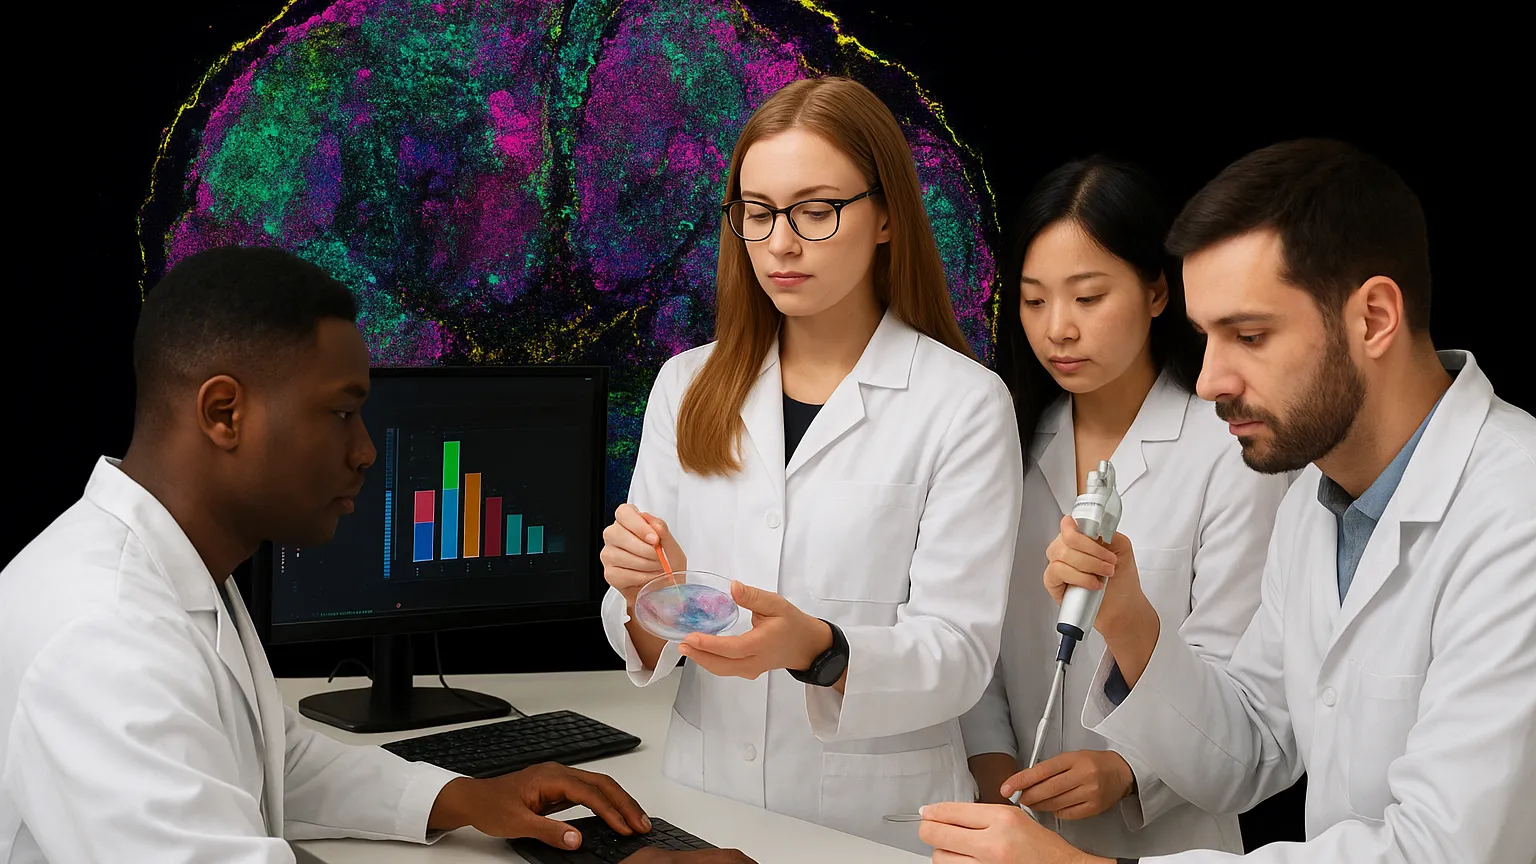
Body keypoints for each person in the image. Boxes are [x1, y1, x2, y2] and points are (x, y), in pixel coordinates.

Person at [0, 247, 752, 864]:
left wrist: (466, 798)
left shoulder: (176, 570)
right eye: (341, 413)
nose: (364, 452)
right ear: (223, 413)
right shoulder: (102, 637)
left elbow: (275, 762)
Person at [920, 139, 1536, 863]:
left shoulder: (1515, 513)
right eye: (1206, 337)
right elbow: (1249, 747)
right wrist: (1131, 622)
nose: (1209, 380)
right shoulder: (1316, 498)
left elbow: (1442, 849)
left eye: (1249, 335)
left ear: (1373, 318)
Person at [596, 76, 1024, 852]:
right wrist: (647, 592)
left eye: (816, 211)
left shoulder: (963, 403)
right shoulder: (687, 383)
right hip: (706, 800)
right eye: (757, 215)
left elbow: (959, 654)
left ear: (887, 214)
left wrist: (818, 648)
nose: (781, 244)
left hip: (872, 824)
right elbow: (647, 633)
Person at [959, 157, 1291, 858]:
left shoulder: (1231, 451)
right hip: (1009, 830)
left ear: (1156, 292)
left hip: (1170, 837)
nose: (1058, 330)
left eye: (1087, 298)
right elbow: (972, 629)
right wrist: (991, 767)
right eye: (1034, 299)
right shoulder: (1005, 442)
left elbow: (1240, 679)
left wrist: (1131, 770)